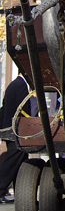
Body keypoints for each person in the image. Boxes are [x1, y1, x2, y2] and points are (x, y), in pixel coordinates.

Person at [0, 74, 30, 204]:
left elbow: (4, 108)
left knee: (21, 161)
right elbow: (23, 109)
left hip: (9, 129)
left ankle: (20, 192)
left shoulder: (12, 84)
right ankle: (0, 190)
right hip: (18, 130)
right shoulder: (21, 85)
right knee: (12, 161)